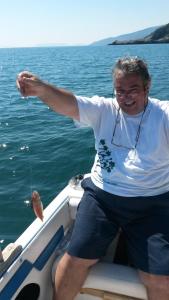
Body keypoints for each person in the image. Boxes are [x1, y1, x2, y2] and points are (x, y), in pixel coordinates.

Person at [17, 57, 169, 300]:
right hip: (102, 199)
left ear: (147, 87)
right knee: (74, 261)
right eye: (120, 91)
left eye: (134, 90)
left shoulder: (163, 115)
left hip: (152, 203)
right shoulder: (104, 109)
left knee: (161, 280)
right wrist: (42, 89)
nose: (126, 97)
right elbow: (69, 104)